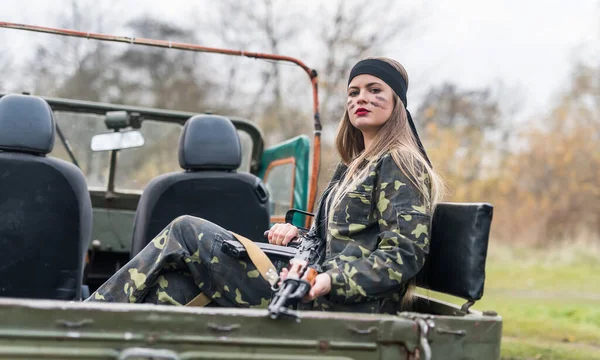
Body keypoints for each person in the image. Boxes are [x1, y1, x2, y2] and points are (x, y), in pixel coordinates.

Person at [86, 57, 444, 314]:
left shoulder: (399, 162)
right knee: (171, 288)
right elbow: (337, 241)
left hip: (346, 302)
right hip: (311, 283)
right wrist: (299, 236)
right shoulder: (352, 168)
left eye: (374, 90)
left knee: (184, 230)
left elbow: (403, 254)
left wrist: (329, 280)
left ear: (397, 103)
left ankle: (81, 317)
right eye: (353, 92)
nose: (359, 99)